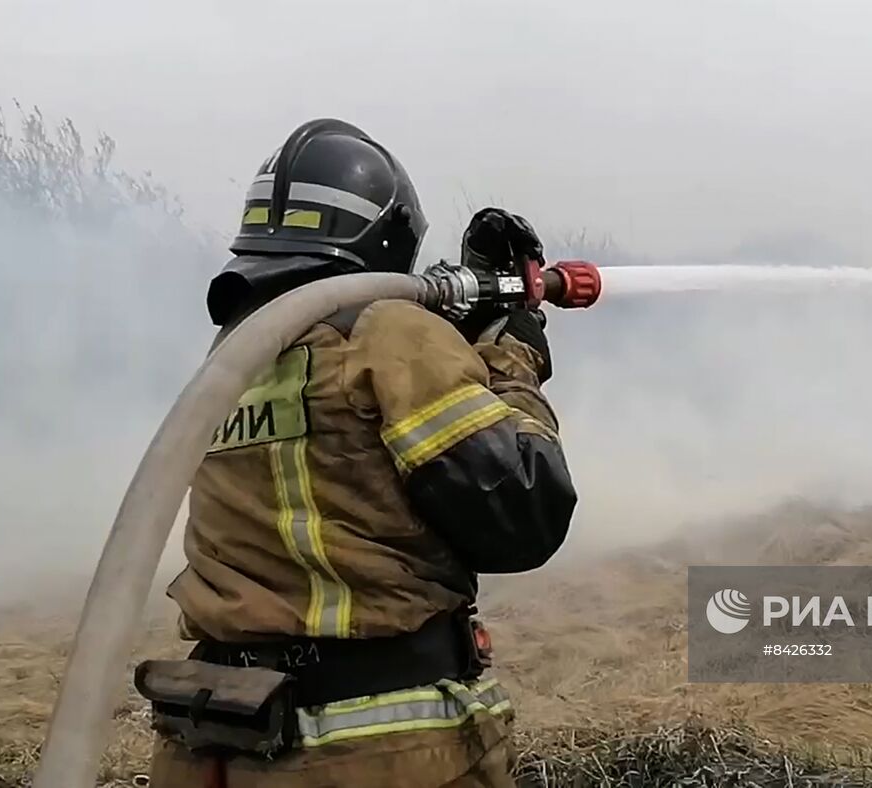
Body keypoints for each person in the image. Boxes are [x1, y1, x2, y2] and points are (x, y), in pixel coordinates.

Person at [141, 118, 576, 787]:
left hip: (217, 745)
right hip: (374, 756)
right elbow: (523, 513)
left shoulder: (236, 358)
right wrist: (510, 356)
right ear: (389, 235)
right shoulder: (390, 330)